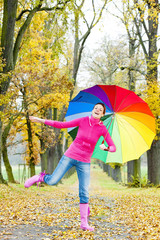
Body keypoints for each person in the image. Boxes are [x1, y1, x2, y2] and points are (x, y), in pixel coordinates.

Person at [24, 103, 116, 231]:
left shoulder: (102, 129)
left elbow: (113, 148)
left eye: (100, 110)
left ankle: (84, 223)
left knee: (84, 191)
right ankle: (40, 177)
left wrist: (105, 147)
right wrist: (40, 120)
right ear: (93, 110)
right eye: (96, 108)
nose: (97, 110)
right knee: (53, 181)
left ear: (102, 114)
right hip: (70, 156)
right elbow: (61, 125)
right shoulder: (83, 120)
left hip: (84, 161)